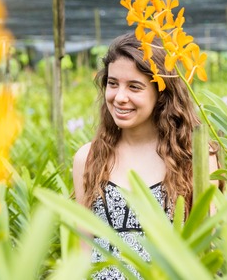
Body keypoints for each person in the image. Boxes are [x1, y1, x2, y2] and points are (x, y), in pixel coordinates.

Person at [72, 32, 218, 279]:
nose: (119, 97)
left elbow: (207, 248)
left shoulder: (194, 158)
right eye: (113, 83)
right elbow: (84, 250)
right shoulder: (88, 158)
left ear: (162, 92)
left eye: (134, 87)